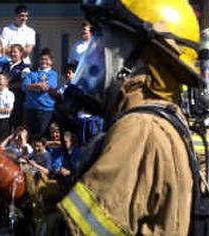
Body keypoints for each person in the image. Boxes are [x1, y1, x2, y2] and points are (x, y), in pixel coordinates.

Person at [51, 0, 205, 235]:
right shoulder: (161, 120)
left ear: (138, 61)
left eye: (108, 46)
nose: (97, 60)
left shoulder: (139, 129)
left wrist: (41, 216)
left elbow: (79, 230)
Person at [21, 48, 57, 137]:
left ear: (51, 61)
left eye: (46, 59)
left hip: (45, 110)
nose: (44, 61)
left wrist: (32, 86)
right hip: (30, 109)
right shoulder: (32, 74)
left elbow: (47, 86)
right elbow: (24, 86)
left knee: (42, 136)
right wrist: (38, 86)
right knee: (28, 136)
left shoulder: (52, 74)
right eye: (42, 59)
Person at [2, 44, 31, 128]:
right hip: (5, 100)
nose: (12, 54)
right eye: (11, 52)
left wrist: (8, 86)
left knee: (17, 125)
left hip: (18, 100)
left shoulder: (25, 67)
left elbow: (23, 82)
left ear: (21, 53)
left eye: (15, 52)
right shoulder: (5, 66)